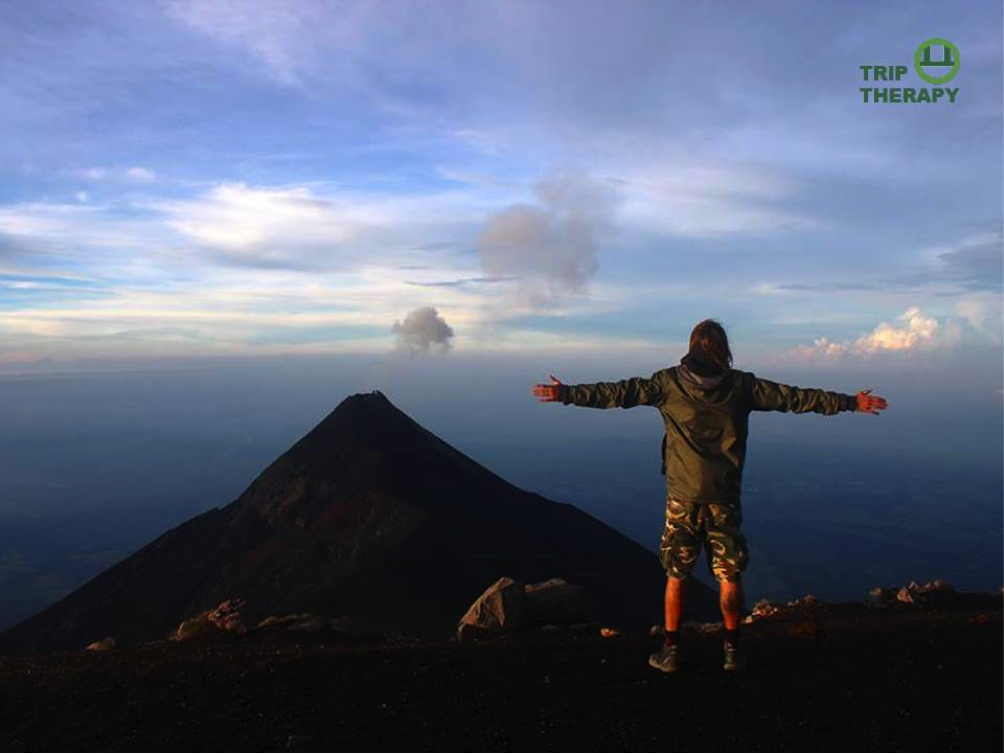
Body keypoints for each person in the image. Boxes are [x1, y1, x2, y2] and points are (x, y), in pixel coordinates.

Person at [530, 319, 888, 673]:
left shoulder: (668, 383)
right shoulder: (742, 386)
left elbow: (619, 393)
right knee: (729, 574)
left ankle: (671, 652)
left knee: (676, 574)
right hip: (723, 497)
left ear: (690, 347)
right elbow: (794, 398)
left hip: (682, 498)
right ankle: (732, 651)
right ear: (724, 351)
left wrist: (567, 394)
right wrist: (850, 402)